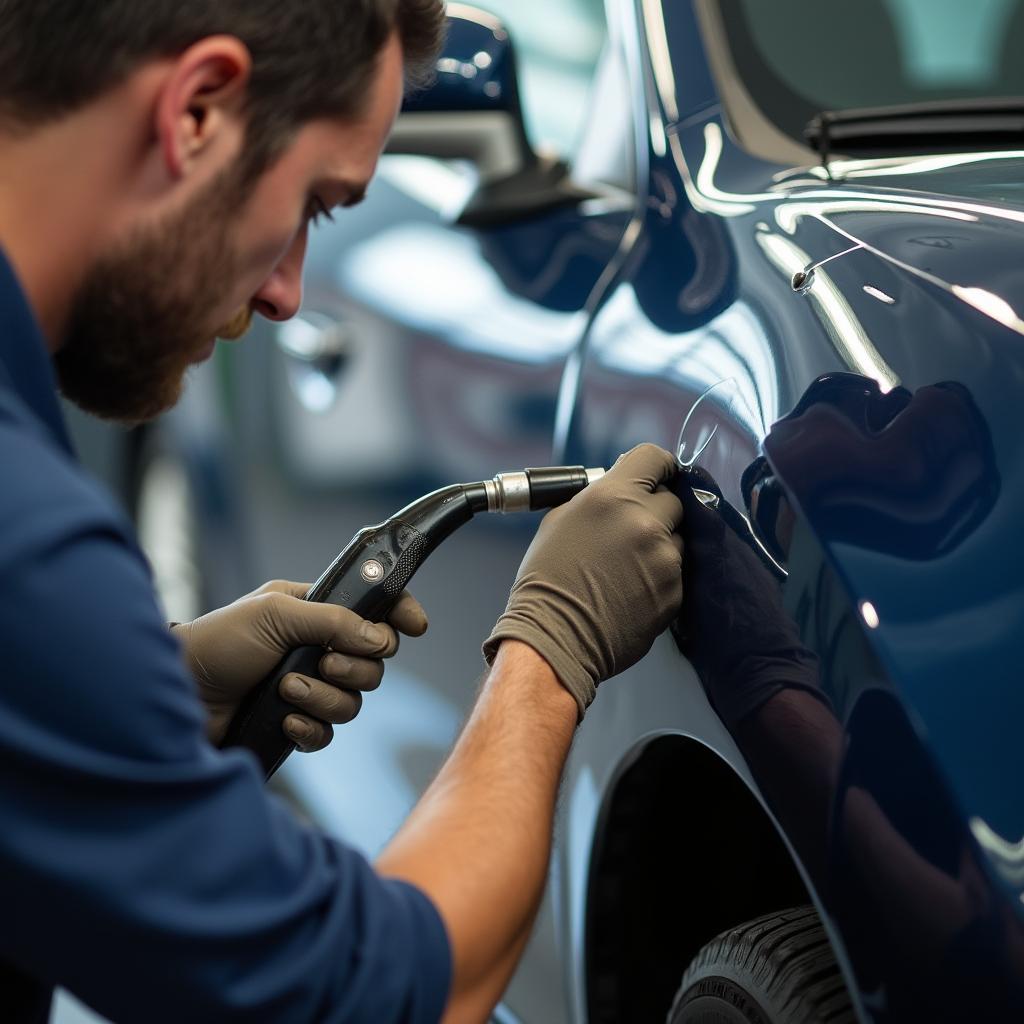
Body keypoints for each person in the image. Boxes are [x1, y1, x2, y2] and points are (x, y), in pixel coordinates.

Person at [0, 3, 685, 1021]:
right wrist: (548, 653)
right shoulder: (27, 547)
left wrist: (141, 690)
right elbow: (368, 995)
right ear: (198, 111)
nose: (286, 295)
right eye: (317, 203)